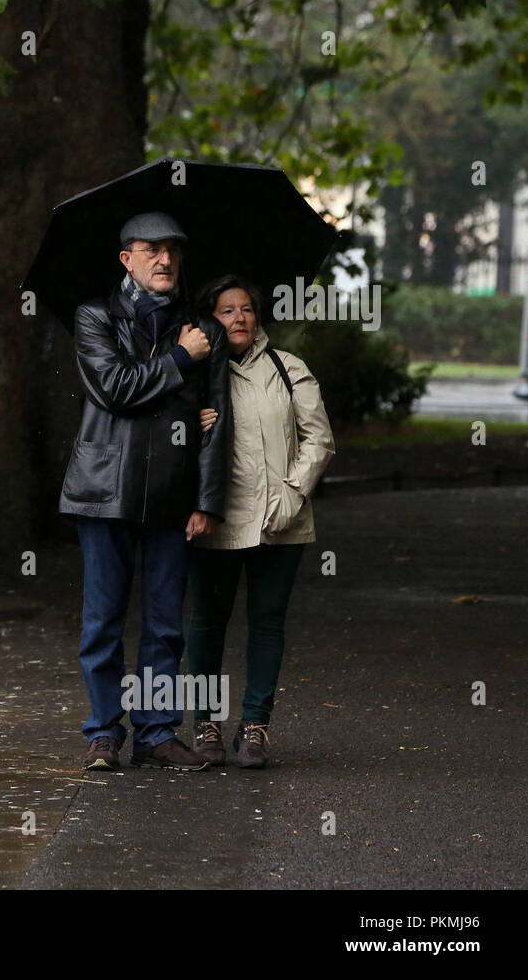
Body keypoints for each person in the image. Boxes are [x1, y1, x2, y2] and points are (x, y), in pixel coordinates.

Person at [60, 211, 232, 772]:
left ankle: (156, 734)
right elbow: (115, 389)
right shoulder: (94, 317)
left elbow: (216, 423)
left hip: (173, 495)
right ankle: (104, 734)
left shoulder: (204, 328)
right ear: (125, 259)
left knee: (164, 625)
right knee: (102, 621)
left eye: (173, 251)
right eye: (151, 249)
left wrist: (207, 502)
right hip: (104, 490)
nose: (165, 260)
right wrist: (180, 360)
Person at [187, 274, 335, 769]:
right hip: (218, 519)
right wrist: (190, 423)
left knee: (267, 622)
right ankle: (205, 722)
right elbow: (163, 443)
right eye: (227, 310)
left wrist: (294, 493)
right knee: (208, 622)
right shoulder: (194, 375)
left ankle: (255, 726)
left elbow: (319, 439)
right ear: (211, 318)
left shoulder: (288, 368)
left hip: (282, 521)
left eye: (246, 308)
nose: (239, 318)